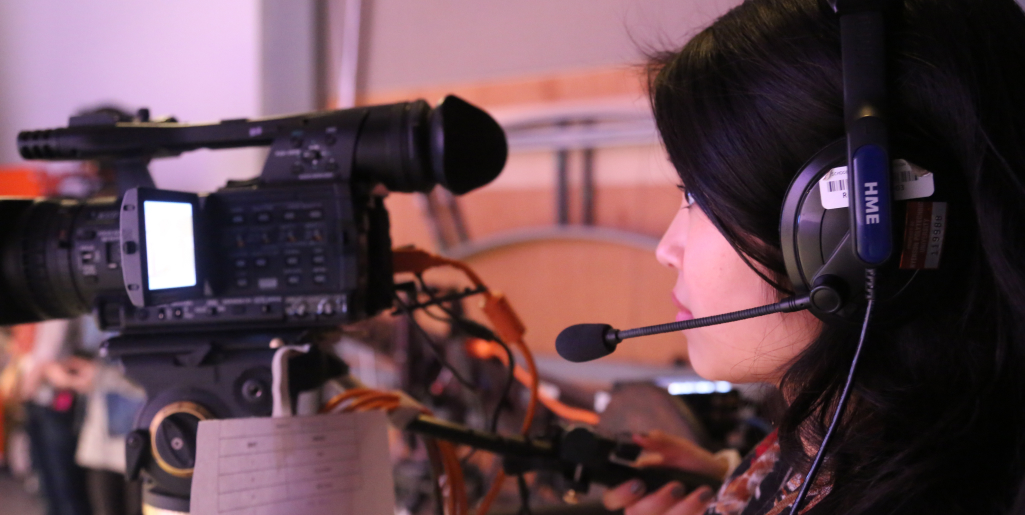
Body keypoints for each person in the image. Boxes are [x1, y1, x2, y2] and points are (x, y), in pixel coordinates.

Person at [601, 0, 1025, 514]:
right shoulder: (838, 422)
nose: (667, 250)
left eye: (696, 197)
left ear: (861, 224)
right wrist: (728, 478)